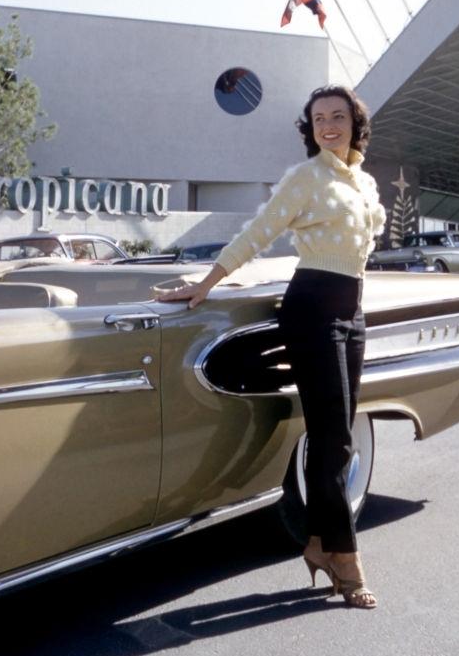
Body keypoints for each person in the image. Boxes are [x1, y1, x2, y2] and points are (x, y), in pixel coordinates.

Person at [158, 85, 386, 609]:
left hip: (352, 308)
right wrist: (206, 283)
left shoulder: (364, 182)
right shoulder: (305, 178)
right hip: (312, 309)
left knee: (340, 433)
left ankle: (316, 541)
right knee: (333, 438)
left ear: (355, 122)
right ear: (309, 128)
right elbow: (256, 233)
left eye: (338, 116)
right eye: (318, 119)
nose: (328, 125)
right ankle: (345, 557)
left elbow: (359, 249)